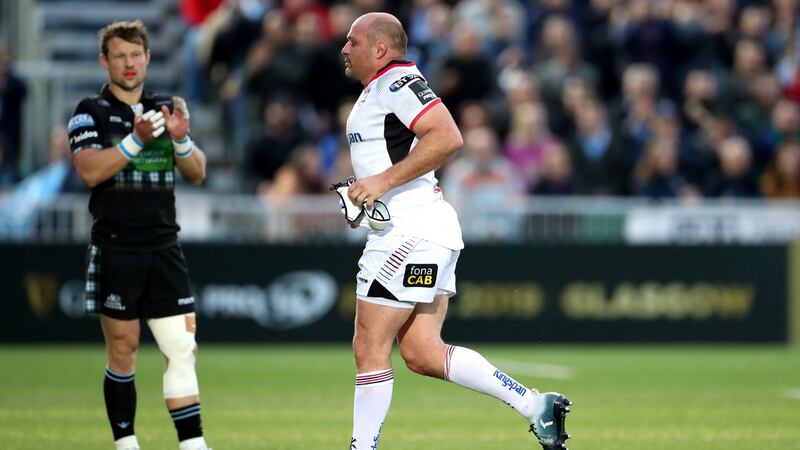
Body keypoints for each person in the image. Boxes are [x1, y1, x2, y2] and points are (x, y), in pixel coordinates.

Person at [339, 12, 571, 450]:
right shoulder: (378, 91)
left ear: (380, 48)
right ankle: (534, 405)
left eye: (352, 41)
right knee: (423, 353)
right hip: (425, 230)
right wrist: (367, 189)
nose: (344, 49)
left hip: (411, 232)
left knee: (369, 344)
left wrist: (382, 184)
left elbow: (447, 136)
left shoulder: (396, 83)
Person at [68, 20, 211, 450]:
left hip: (164, 247)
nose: (129, 64)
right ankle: (126, 444)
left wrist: (182, 142)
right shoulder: (89, 112)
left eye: (136, 55)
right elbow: (91, 171)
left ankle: (193, 445)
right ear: (104, 61)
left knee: (182, 348)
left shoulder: (167, 108)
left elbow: (198, 172)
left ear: (148, 58)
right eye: (119, 56)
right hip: (117, 247)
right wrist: (135, 141)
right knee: (124, 350)